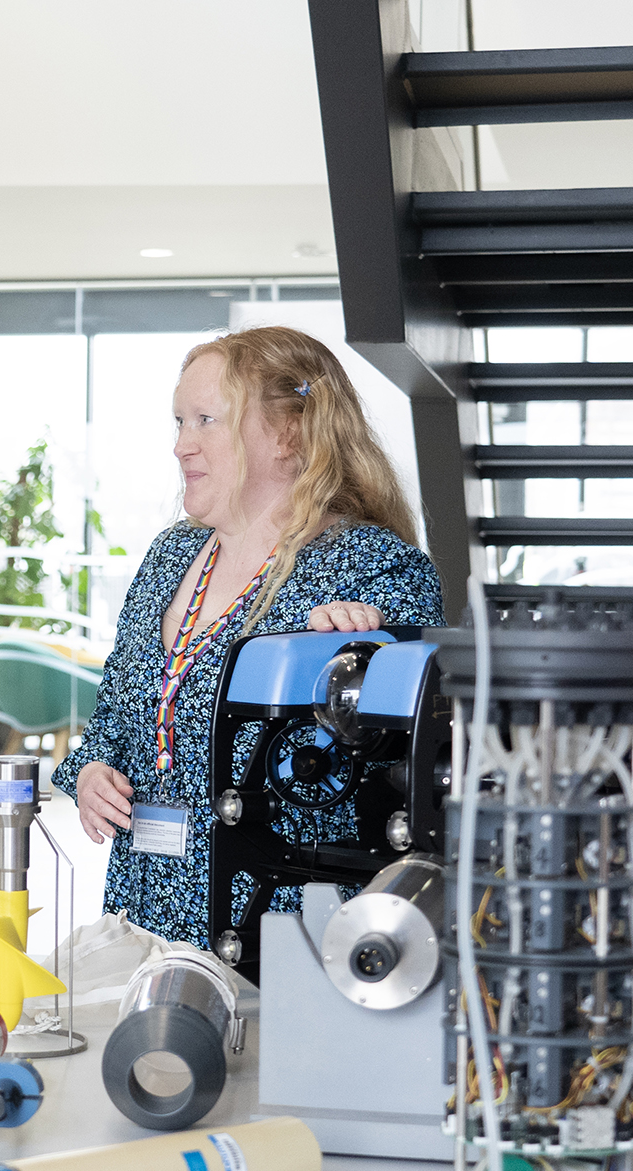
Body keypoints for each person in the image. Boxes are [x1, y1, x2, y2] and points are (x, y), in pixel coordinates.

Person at [53, 325, 444, 950]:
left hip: (284, 928)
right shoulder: (170, 556)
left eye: (206, 420)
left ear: (287, 436)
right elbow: (115, 722)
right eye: (178, 422)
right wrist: (93, 772)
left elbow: (395, 781)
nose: (182, 445)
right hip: (143, 910)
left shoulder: (370, 568)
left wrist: (359, 663)